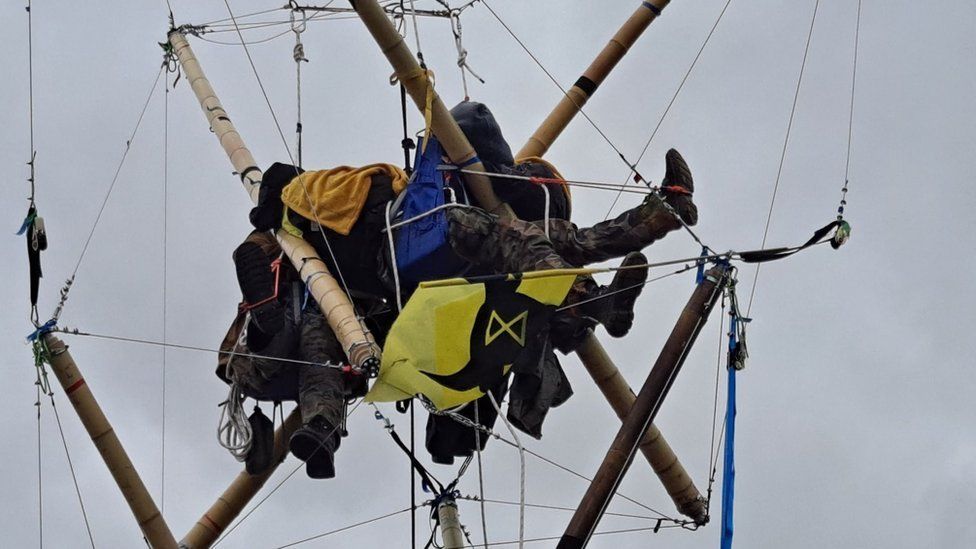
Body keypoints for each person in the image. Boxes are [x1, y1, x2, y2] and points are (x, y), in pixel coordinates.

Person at [218, 230, 367, 479]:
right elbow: (250, 252)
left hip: (304, 351)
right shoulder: (278, 230)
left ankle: (319, 435)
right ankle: (263, 324)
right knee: (306, 347)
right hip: (285, 346)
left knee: (316, 347)